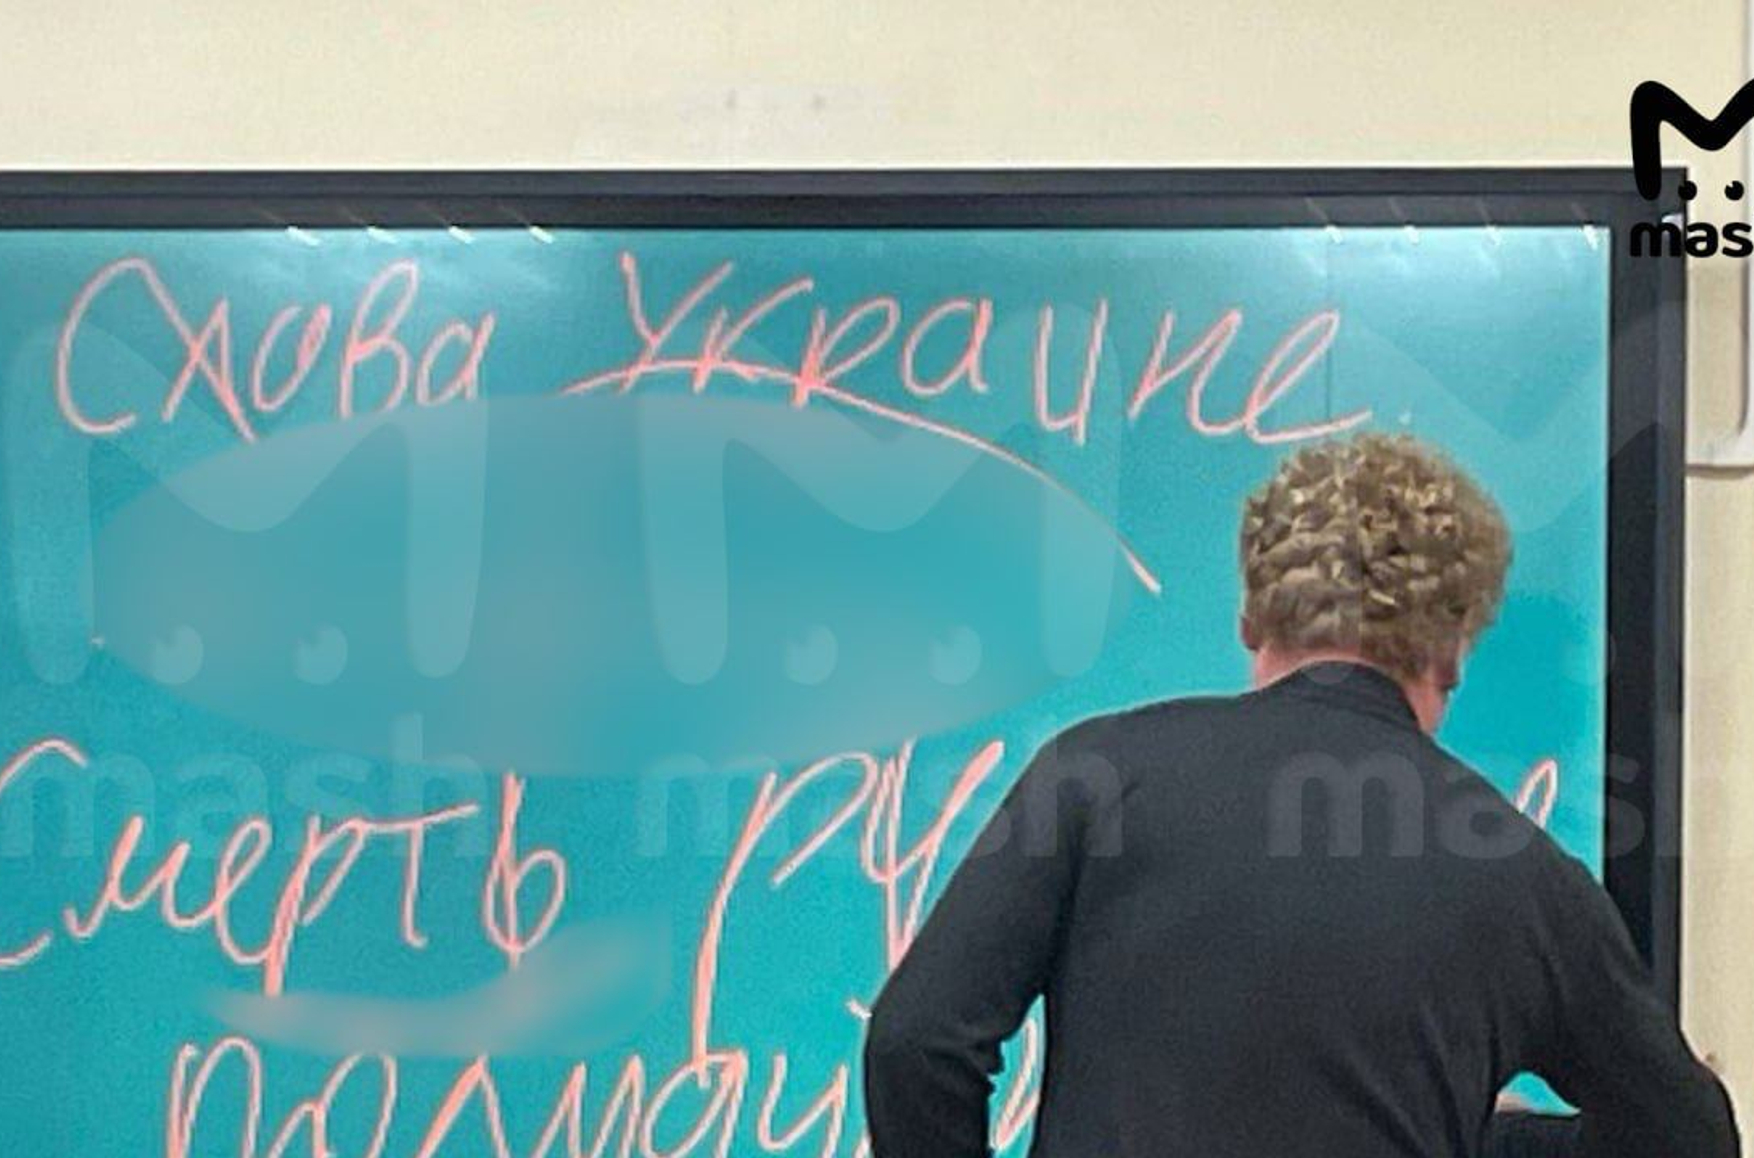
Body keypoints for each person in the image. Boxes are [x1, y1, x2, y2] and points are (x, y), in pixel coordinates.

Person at [862, 433, 1738, 1157]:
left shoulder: (1095, 773)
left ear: (1252, 620)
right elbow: (1689, 1139)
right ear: (1450, 657)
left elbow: (917, 1043)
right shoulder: (1525, 878)